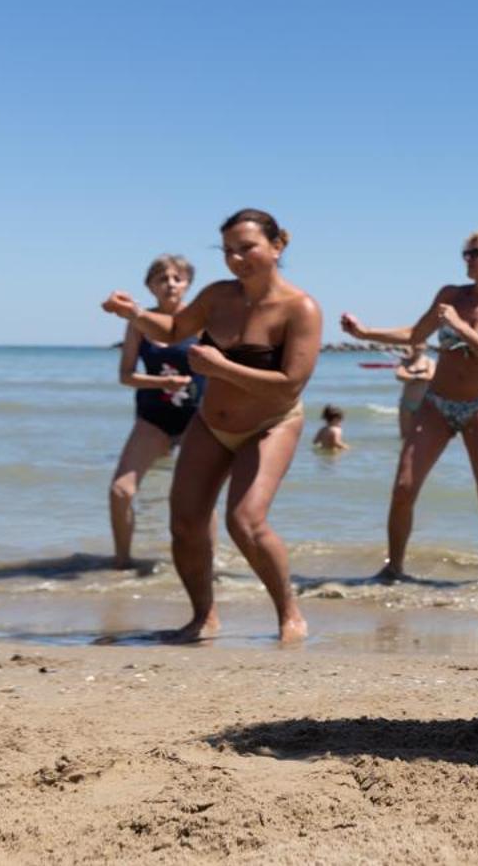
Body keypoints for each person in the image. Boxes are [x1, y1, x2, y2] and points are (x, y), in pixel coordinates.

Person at [101, 208, 320, 642]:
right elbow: (175, 327)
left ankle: (289, 612)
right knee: (184, 522)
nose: (236, 259)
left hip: (271, 423)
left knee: (246, 521)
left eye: (247, 248)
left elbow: (288, 387)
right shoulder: (218, 295)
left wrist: (221, 368)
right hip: (211, 423)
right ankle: (204, 616)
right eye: (228, 251)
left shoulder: (300, 309)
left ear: (277, 247)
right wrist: (134, 315)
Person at [339, 230, 478, 581]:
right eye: (465, 253)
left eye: (475, 252)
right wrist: (365, 333)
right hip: (437, 404)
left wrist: (459, 326)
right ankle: (394, 568)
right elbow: (414, 334)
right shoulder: (450, 295)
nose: (467, 258)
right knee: (404, 487)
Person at [107, 254, 200, 568]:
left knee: (197, 498)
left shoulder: (200, 322)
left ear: (187, 284)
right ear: (150, 286)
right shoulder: (139, 324)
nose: (170, 284)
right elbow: (125, 375)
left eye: (177, 278)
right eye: (162, 278)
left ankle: (204, 562)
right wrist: (163, 382)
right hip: (153, 418)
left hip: (196, 418)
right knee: (120, 491)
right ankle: (122, 562)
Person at [394, 343, 435, 438]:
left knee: (422, 436)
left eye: (421, 343)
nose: (418, 346)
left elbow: (430, 376)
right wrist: (419, 376)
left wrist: (410, 376)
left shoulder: (429, 361)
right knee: (404, 436)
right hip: (406, 402)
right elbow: (399, 375)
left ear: (425, 346)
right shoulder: (405, 361)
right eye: (416, 343)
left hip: (423, 403)